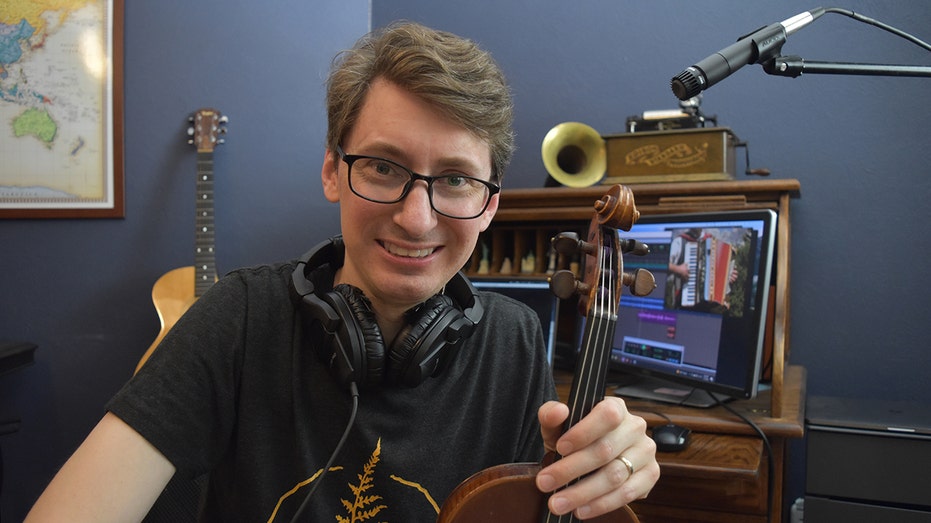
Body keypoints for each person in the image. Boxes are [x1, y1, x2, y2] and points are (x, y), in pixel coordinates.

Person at [27, 21, 658, 522]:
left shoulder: (514, 341)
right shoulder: (237, 319)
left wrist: (602, 471)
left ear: (490, 203)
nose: (416, 218)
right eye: (383, 167)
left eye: (457, 179)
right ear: (333, 171)